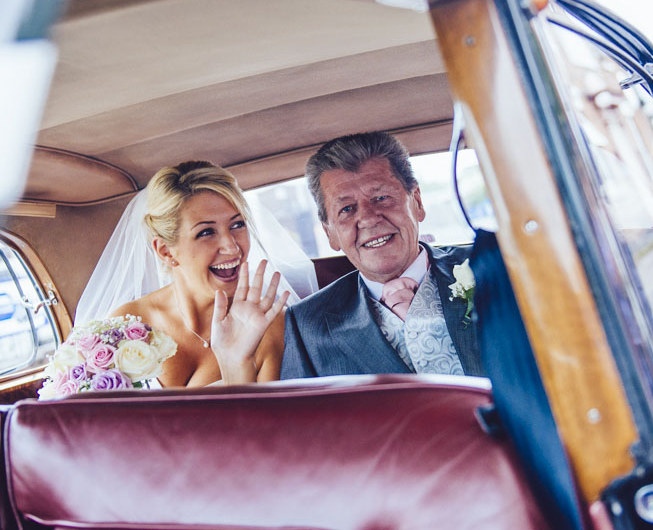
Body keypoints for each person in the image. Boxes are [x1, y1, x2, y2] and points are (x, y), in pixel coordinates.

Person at [281, 132, 484, 379]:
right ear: (330, 234)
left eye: (381, 198)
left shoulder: (490, 268)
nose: (367, 218)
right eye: (346, 209)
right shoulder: (306, 325)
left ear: (417, 203)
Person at [97, 161, 297, 386]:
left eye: (237, 225)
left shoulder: (268, 324)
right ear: (165, 251)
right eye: (206, 232)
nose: (232, 247)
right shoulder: (127, 323)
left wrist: (237, 363)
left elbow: (266, 420)